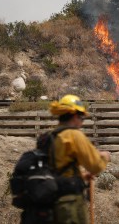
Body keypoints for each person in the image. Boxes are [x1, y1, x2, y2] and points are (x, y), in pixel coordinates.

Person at [22, 94, 111, 224]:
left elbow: (55, 168)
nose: (81, 122)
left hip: (48, 201)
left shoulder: (48, 136)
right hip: (68, 204)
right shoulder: (74, 135)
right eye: (81, 118)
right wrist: (105, 157)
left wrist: (81, 176)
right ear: (75, 116)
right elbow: (95, 166)